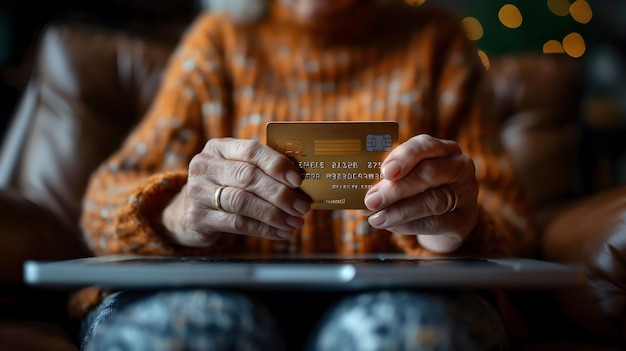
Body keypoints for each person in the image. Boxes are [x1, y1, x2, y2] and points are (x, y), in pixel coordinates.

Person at [73, 0, 536, 349]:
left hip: (407, 297)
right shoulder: (219, 40)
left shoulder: (439, 41)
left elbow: (511, 222)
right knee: (192, 328)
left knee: (402, 332)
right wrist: (179, 213)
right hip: (213, 292)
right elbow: (101, 203)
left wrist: (452, 228)